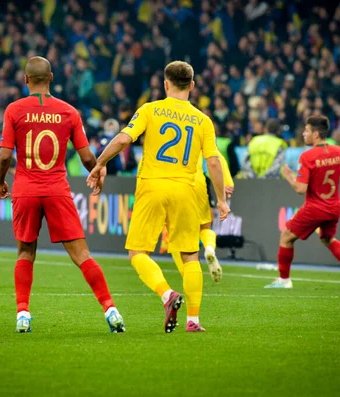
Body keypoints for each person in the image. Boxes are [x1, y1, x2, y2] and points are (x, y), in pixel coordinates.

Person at [87, 61, 230, 333]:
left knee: (137, 252)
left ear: (165, 84)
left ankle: (166, 294)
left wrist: (100, 163)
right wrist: (221, 200)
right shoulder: (203, 120)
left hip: (152, 187)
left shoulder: (150, 110)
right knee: (190, 257)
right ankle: (194, 320)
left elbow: (123, 139)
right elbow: (213, 162)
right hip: (187, 191)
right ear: (192, 85)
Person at [0, 56, 125, 334]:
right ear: (51, 78)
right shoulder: (69, 112)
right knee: (82, 254)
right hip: (57, 190)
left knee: (25, 252)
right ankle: (110, 309)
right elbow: (87, 156)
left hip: (26, 190)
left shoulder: (14, 110)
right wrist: (98, 170)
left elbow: (5, 155)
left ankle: (22, 315)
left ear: (26, 80)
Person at [265, 115, 340, 289]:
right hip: (334, 207)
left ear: (316, 134)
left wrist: (289, 177)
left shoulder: (308, 156)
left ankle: (284, 280)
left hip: (315, 207)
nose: (304, 134)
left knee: (286, 237)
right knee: (327, 238)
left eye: (307, 131)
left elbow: (300, 189)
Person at [172, 152, 234, 283]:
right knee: (205, 226)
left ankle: (188, 275)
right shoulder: (200, 132)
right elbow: (215, 158)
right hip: (199, 181)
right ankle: (210, 248)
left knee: (175, 236)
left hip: (174, 182)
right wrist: (227, 182)